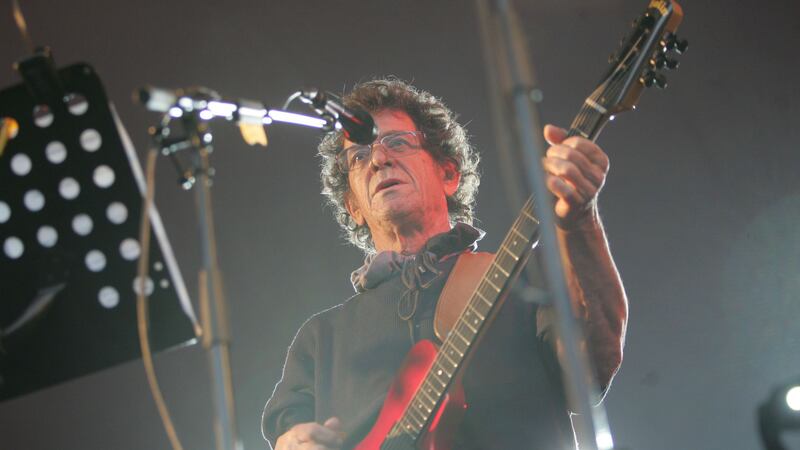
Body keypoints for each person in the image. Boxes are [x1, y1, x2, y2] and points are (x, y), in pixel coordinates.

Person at [262, 79, 628, 449]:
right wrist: (292, 443)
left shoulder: (518, 276)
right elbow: (288, 435)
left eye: (398, 143)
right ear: (353, 207)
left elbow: (592, 369)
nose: (378, 159)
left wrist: (579, 219)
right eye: (358, 156)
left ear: (449, 174)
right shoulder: (320, 339)